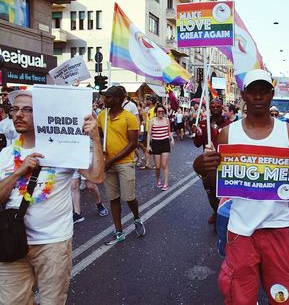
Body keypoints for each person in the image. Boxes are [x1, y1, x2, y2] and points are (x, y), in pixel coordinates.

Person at [193, 69, 289, 305]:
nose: (259, 96)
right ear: (244, 95)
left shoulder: (288, 132)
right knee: (240, 296)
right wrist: (201, 167)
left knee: (281, 295)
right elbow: (218, 183)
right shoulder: (227, 133)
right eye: (253, 91)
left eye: (264, 91)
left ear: (272, 94)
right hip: (241, 229)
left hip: (278, 226)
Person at [0, 89, 104, 304]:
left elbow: (97, 176)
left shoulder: (64, 150)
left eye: (27, 110)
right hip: (10, 241)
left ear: (44, 113)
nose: (18, 114)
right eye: (15, 109)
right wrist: (19, 172)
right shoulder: (6, 155)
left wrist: (95, 138)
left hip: (53, 243)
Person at [97, 86, 145, 245]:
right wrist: (101, 156)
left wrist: (112, 160)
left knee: (129, 197)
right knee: (113, 199)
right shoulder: (102, 116)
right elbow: (99, 138)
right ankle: (118, 230)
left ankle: (137, 219)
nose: (105, 100)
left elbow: (133, 144)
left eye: (108, 97)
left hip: (125, 163)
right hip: (108, 164)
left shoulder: (129, 118)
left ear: (117, 99)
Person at [193, 98, 231, 224]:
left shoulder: (229, 124)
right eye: (213, 107)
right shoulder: (203, 124)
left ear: (222, 108)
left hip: (225, 163)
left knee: (224, 191)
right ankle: (215, 211)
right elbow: (197, 144)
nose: (215, 109)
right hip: (209, 164)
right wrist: (196, 133)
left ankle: (223, 214)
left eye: (218, 106)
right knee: (210, 191)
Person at [147, 104, 174, 190]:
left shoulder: (166, 120)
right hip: (155, 143)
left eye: (162, 111)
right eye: (159, 111)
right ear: (156, 112)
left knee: (164, 164)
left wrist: (172, 138)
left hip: (165, 142)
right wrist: (148, 145)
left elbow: (169, 131)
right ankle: (158, 179)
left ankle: (166, 184)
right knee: (158, 166)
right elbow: (149, 134)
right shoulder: (152, 121)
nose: (161, 113)